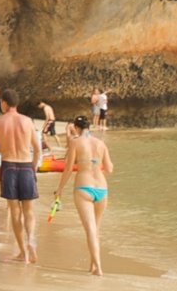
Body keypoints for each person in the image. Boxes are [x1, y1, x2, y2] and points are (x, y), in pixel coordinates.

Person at [53, 115, 111, 276]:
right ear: (89, 127)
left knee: (90, 229)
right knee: (96, 228)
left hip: (84, 187)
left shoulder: (75, 142)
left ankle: (98, 267)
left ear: (77, 128)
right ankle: (93, 266)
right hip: (102, 188)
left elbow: (68, 168)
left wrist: (59, 189)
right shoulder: (100, 143)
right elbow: (110, 168)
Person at [0, 91, 40, 263]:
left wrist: (0, 148)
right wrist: (33, 167)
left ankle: (23, 253)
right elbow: (38, 149)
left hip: (9, 167)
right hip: (26, 166)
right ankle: (31, 239)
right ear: (17, 103)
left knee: (15, 212)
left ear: (4, 103)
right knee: (29, 211)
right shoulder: (27, 121)